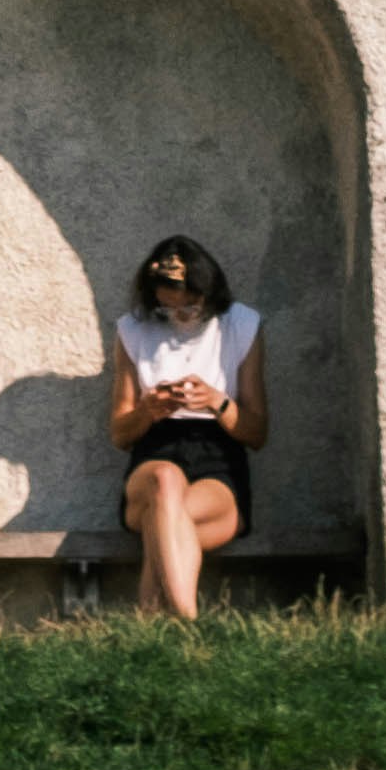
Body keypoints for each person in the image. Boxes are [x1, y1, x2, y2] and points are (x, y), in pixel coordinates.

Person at [108, 233, 266, 619]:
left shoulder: (241, 325)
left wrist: (217, 402)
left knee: (164, 526)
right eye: (169, 310)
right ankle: (188, 620)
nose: (180, 318)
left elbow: (258, 433)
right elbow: (119, 434)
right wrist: (148, 410)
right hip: (156, 450)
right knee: (165, 483)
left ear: (207, 294)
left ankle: (153, 625)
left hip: (218, 455)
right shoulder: (133, 330)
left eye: (190, 308)